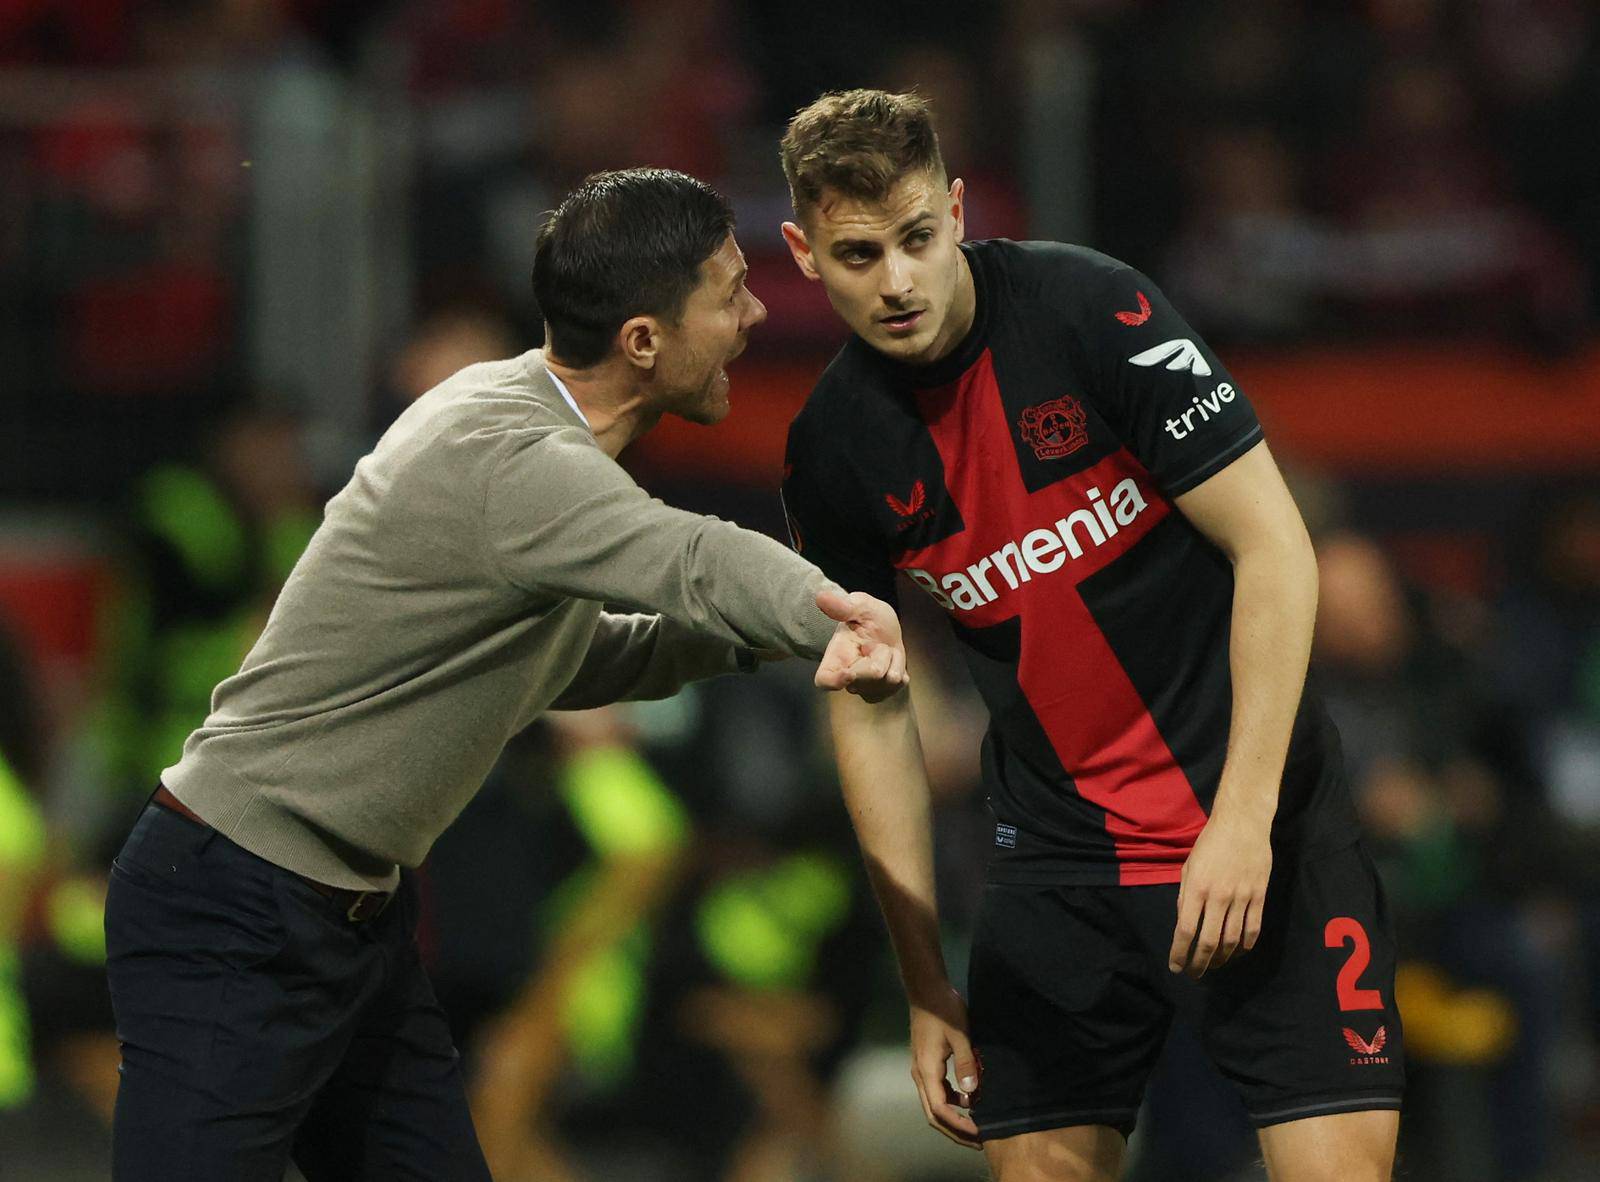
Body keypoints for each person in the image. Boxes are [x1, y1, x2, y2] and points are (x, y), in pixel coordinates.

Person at [103, 166, 909, 1181]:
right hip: (236, 901)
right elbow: (691, 558)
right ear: (644, 341)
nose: (753, 314)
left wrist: (777, 638)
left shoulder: (516, 430)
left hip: (349, 918)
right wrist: (832, 607)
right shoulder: (512, 454)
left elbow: (573, 660)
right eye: (727, 290)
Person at [776, 91, 1402, 1181]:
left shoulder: (1093, 310)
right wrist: (925, 980)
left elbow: (1274, 548)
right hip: (1058, 860)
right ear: (801, 251)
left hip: (1259, 821)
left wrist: (1242, 822)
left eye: (919, 238)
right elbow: (870, 707)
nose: (898, 282)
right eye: (859, 252)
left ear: (959, 210)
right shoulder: (831, 452)